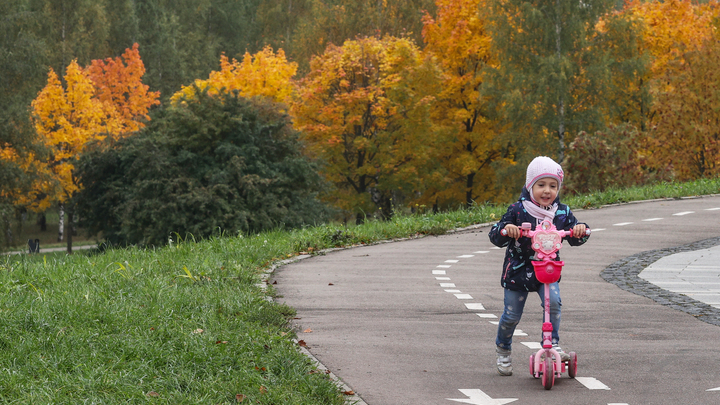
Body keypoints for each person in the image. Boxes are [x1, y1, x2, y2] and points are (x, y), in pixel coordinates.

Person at [488, 156, 590, 376]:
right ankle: (503, 348)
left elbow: (576, 235)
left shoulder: (561, 213)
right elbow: (495, 236)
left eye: (553, 186)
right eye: (541, 185)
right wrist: (508, 229)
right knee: (512, 315)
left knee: (553, 303)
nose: (547, 191)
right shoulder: (517, 210)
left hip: (547, 269)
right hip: (518, 271)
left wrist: (581, 229)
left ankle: (552, 344)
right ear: (530, 186)